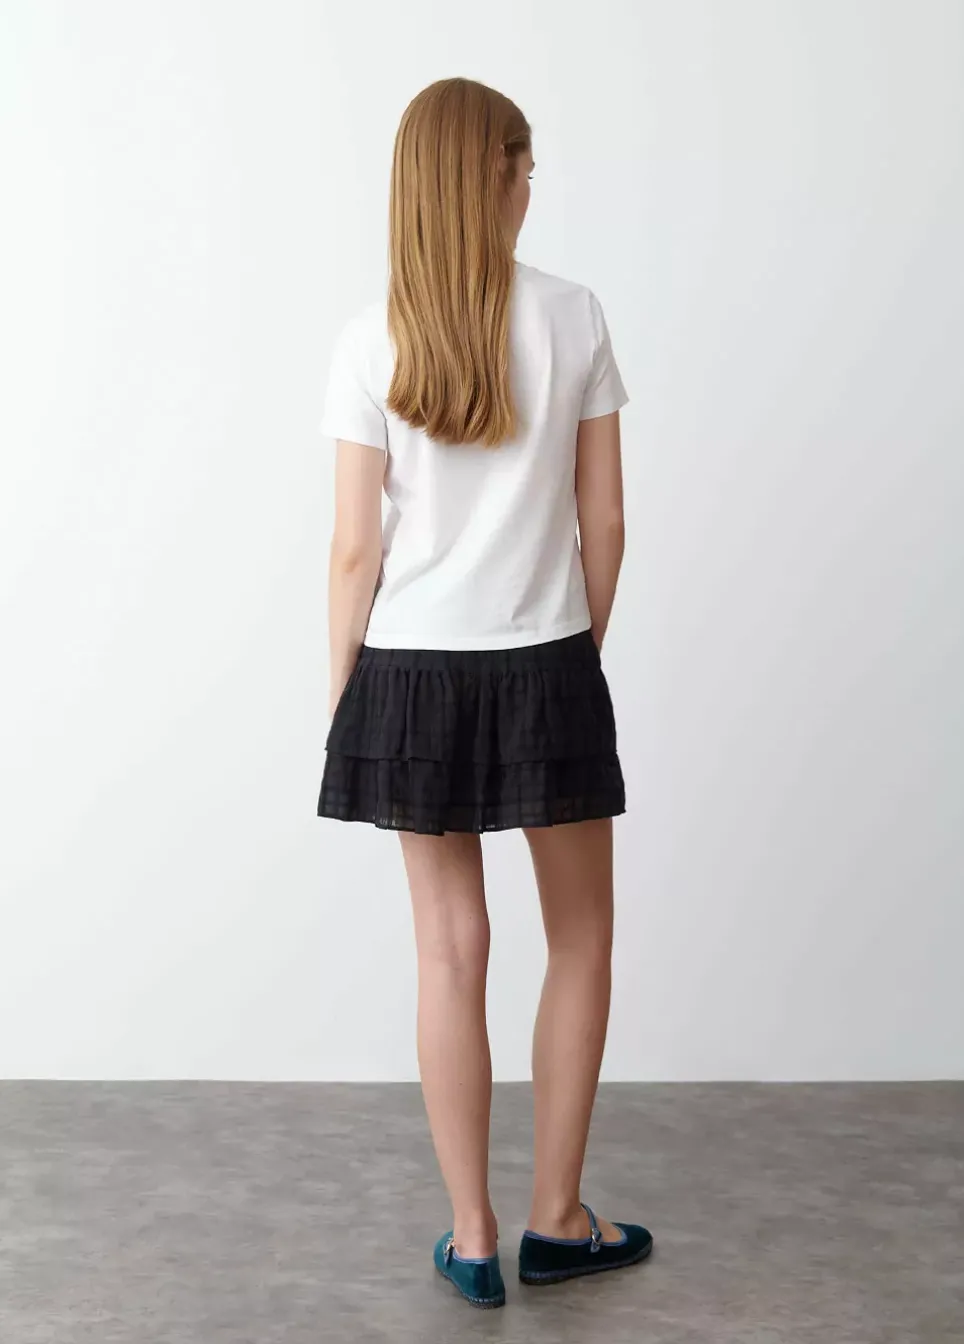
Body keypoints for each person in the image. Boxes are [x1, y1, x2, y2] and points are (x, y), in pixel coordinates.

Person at [317, 77, 653, 1309]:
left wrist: (348, 697)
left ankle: (471, 1236)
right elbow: (603, 520)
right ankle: (558, 1220)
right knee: (582, 938)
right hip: (543, 657)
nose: (529, 190)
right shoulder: (572, 315)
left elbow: (354, 550)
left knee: (448, 951)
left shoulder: (372, 337)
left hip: (408, 670)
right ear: (497, 176)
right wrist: (572, 647)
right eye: (526, 169)